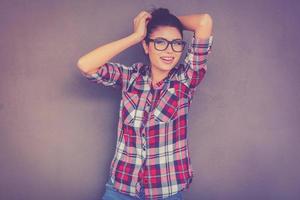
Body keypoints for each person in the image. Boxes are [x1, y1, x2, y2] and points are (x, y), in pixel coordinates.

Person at [77, 7, 213, 200]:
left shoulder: (186, 79)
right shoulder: (131, 77)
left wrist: (163, 20)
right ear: (146, 46)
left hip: (166, 191)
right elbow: (86, 65)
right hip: (121, 188)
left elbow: (204, 22)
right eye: (160, 42)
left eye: (176, 43)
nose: (169, 50)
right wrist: (136, 36)